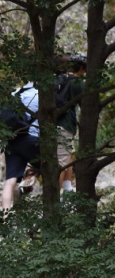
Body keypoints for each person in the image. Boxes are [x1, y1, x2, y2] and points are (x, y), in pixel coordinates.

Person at [1, 83, 40, 209]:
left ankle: (5, 216)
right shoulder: (40, 94)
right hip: (32, 138)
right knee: (48, 165)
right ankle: (30, 178)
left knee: (10, 181)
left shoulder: (14, 93)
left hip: (12, 140)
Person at [56, 54, 87, 194]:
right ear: (80, 68)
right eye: (84, 70)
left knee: (69, 154)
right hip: (65, 125)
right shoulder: (78, 83)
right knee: (61, 163)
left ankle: (67, 188)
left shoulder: (58, 79)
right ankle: (54, 199)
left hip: (51, 125)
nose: (84, 73)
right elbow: (87, 107)